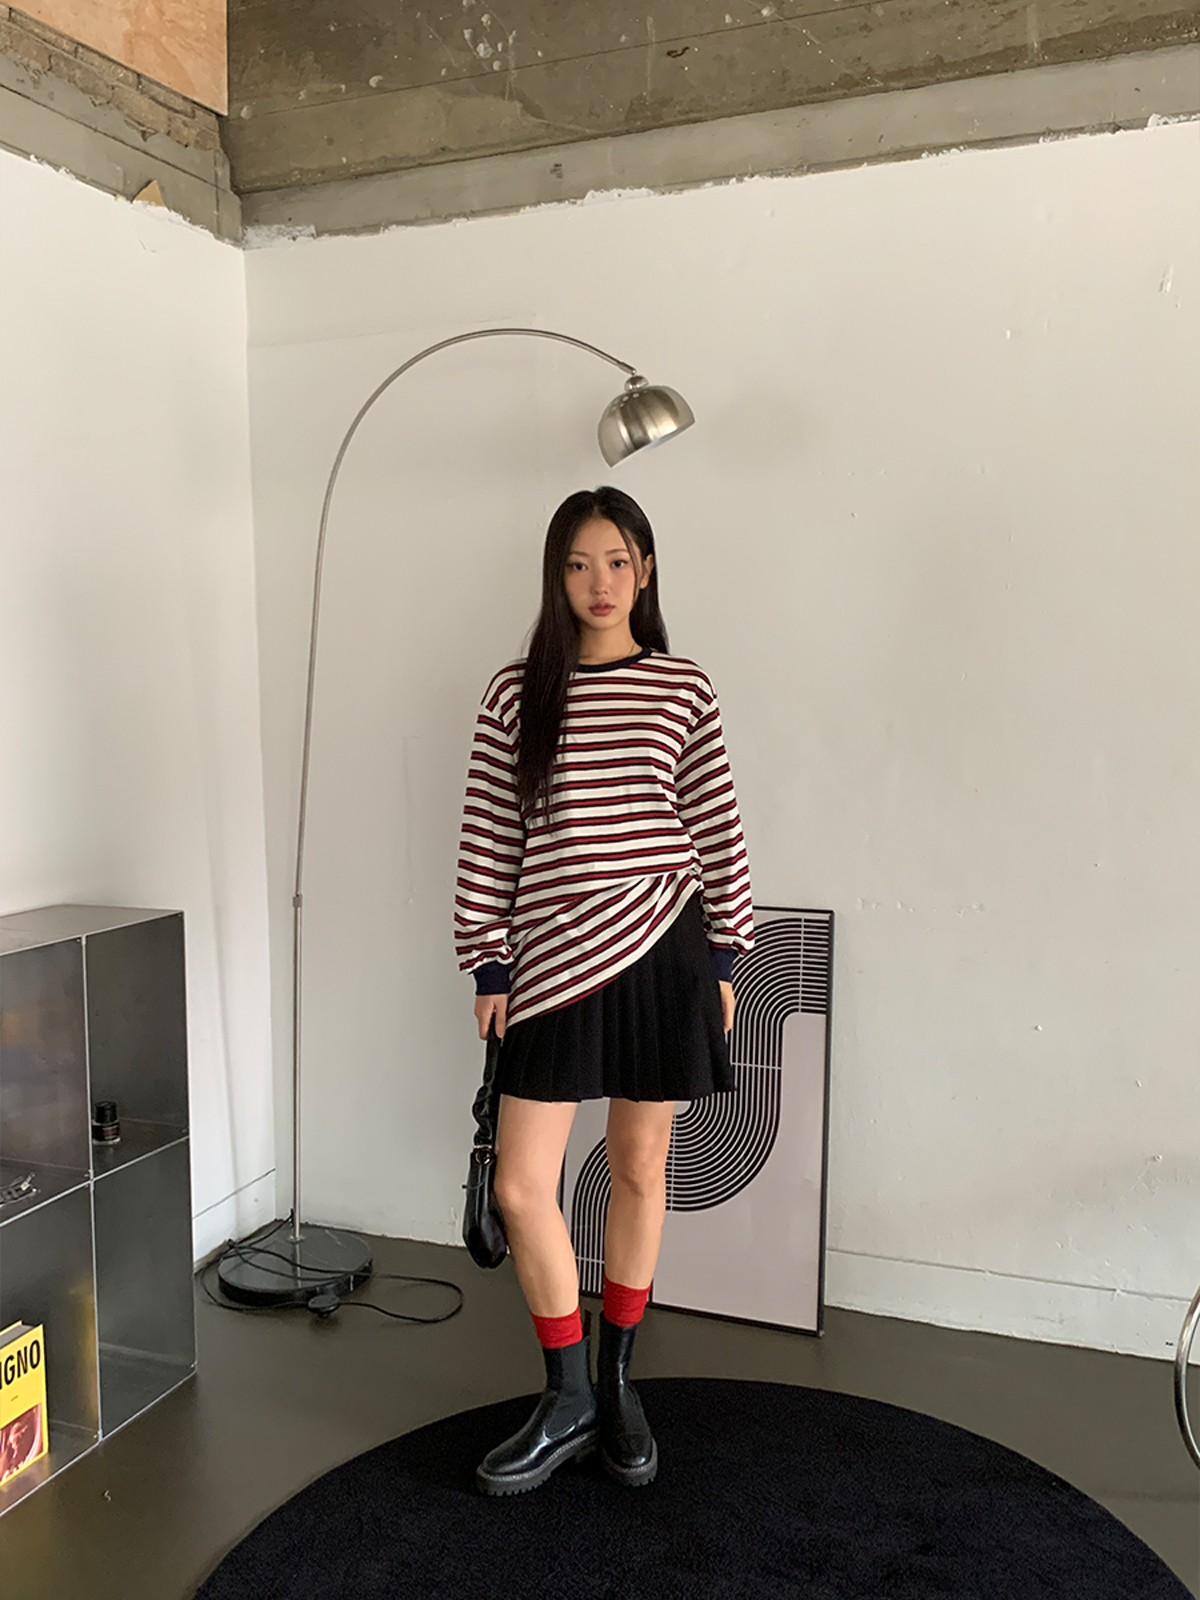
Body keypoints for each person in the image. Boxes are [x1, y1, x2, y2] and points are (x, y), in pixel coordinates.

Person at [454, 485, 754, 1496]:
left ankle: (618, 1381)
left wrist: (726, 958)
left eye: (618, 562)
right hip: (551, 964)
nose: (599, 582)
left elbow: (718, 828)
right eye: (579, 564)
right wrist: (488, 960)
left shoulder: (681, 686)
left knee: (639, 1165)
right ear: (557, 574)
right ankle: (569, 1390)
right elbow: (490, 834)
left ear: (646, 570)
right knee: (521, 1185)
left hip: (664, 949)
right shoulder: (516, 692)